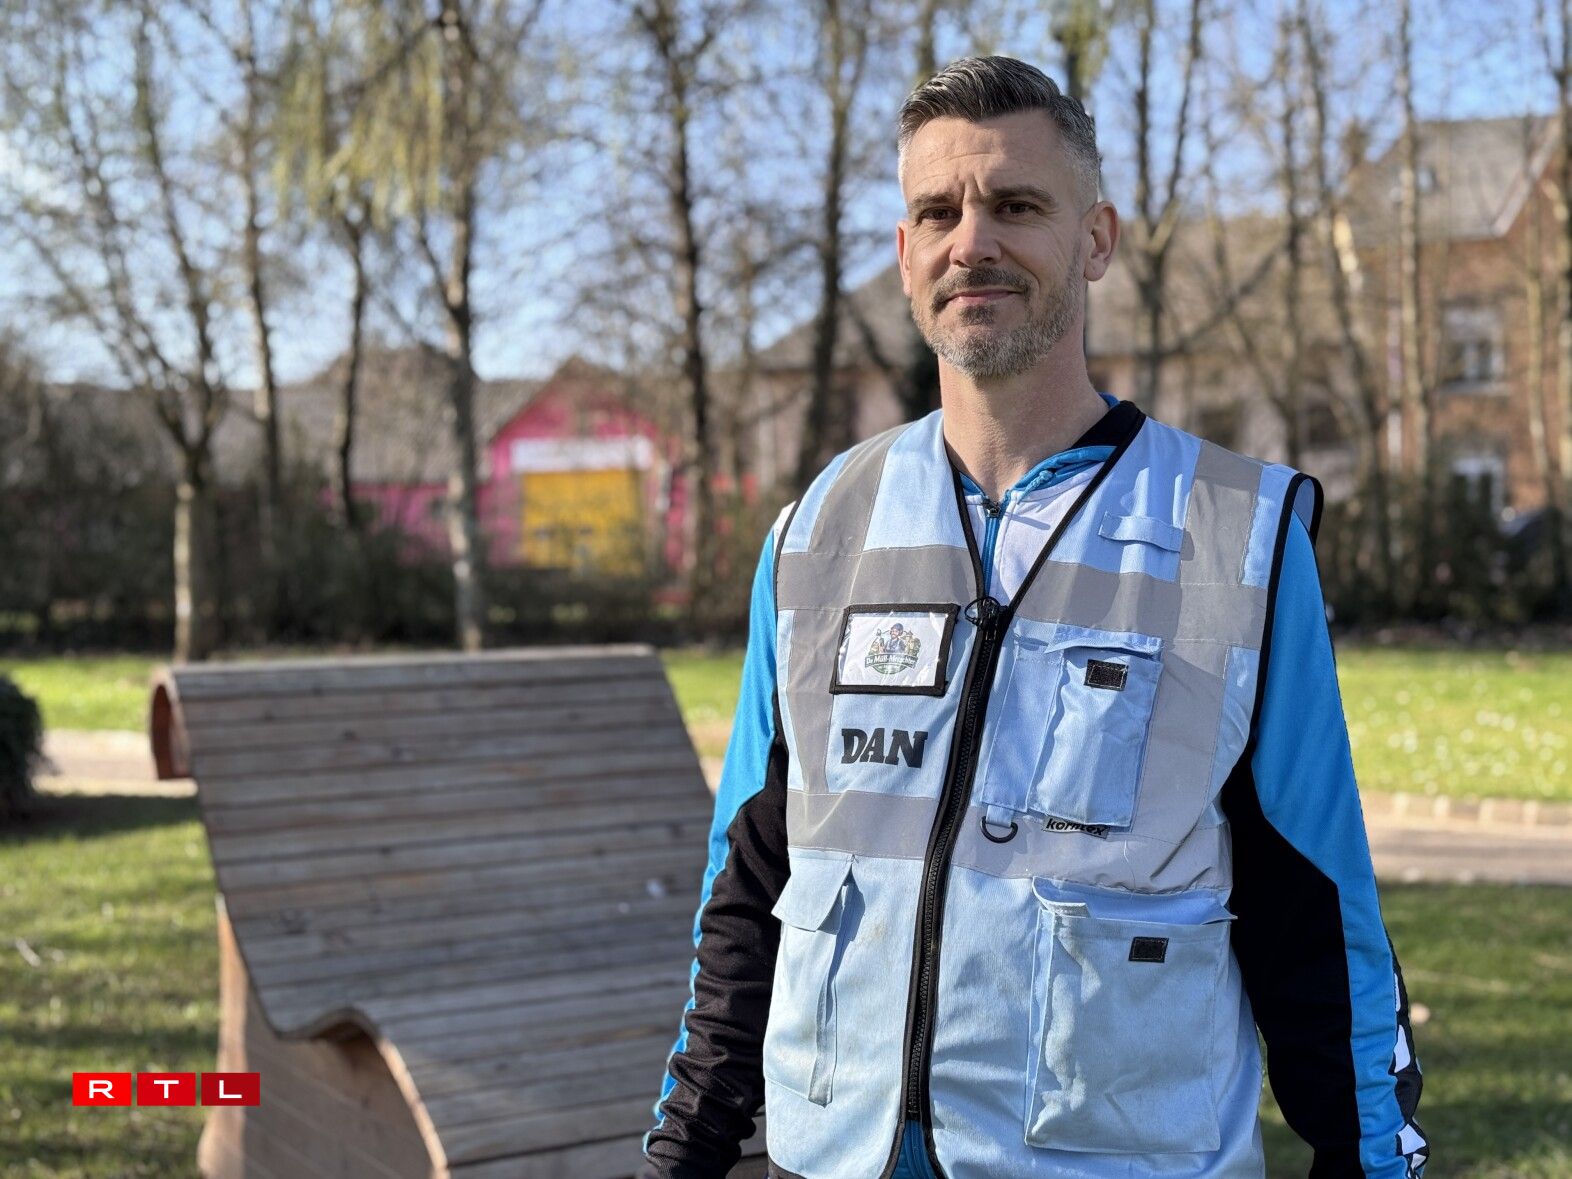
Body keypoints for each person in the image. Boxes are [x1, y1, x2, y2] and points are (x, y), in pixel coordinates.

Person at [639, 55, 1427, 1179]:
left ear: (1095, 240)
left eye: (1016, 206)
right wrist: (681, 1155)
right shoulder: (817, 530)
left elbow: (1317, 916)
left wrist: (1372, 1160)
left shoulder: (1238, 537)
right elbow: (750, 885)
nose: (973, 242)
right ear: (905, 252)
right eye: (938, 212)